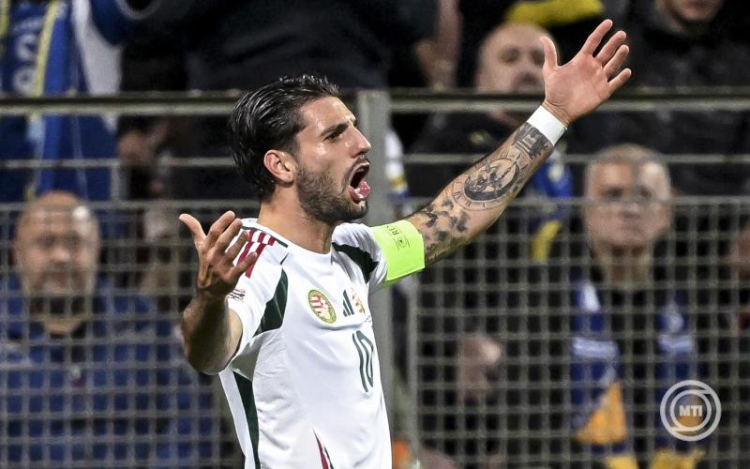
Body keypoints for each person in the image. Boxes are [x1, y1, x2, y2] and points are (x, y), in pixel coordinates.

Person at [178, 19, 631, 468]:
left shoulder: (353, 251)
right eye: (335, 135)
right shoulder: (255, 261)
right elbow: (209, 352)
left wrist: (552, 116)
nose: (361, 143)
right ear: (282, 166)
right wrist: (211, 299)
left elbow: (453, 216)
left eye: (354, 127)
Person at [0, 191, 215, 466]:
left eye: (75, 242)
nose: (61, 256)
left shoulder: (143, 325)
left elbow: (191, 424)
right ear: (17, 254)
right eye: (46, 243)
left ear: (96, 250)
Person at [544, 145, 704, 468]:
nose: (630, 209)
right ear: (586, 211)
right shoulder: (546, 303)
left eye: (644, 196)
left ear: (667, 214)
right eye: (613, 195)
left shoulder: (701, 301)